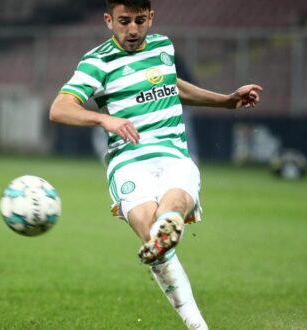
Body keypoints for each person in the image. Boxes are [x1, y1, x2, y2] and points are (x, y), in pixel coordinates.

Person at [49, 1, 262, 328]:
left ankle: (195, 321)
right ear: (108, 20)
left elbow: (171, 87)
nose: (132, 29)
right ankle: (168, 239)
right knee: (154, 233)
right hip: (128, 162)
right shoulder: (97, 61)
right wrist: (103, 119)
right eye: (123, 21)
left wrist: (226, 101)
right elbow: (60, 108)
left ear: (151, 17)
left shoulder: (164, 46)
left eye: (139, 20)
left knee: (172, 206)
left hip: (174, 154)